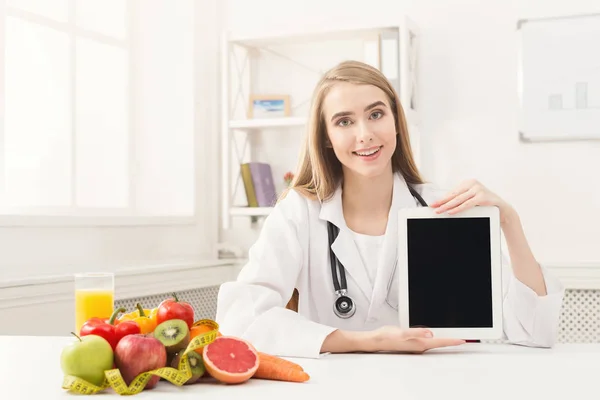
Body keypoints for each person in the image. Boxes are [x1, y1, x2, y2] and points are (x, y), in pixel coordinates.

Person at [215, 60, 565, 358]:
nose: (365, 134)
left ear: (396, 120)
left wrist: (510, 222)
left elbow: (534, 333)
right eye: (344, 121)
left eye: (376, 114)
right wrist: (365, 342)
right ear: (325, 137)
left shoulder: (443, 207)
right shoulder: (300, 212)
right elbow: (241, 318)